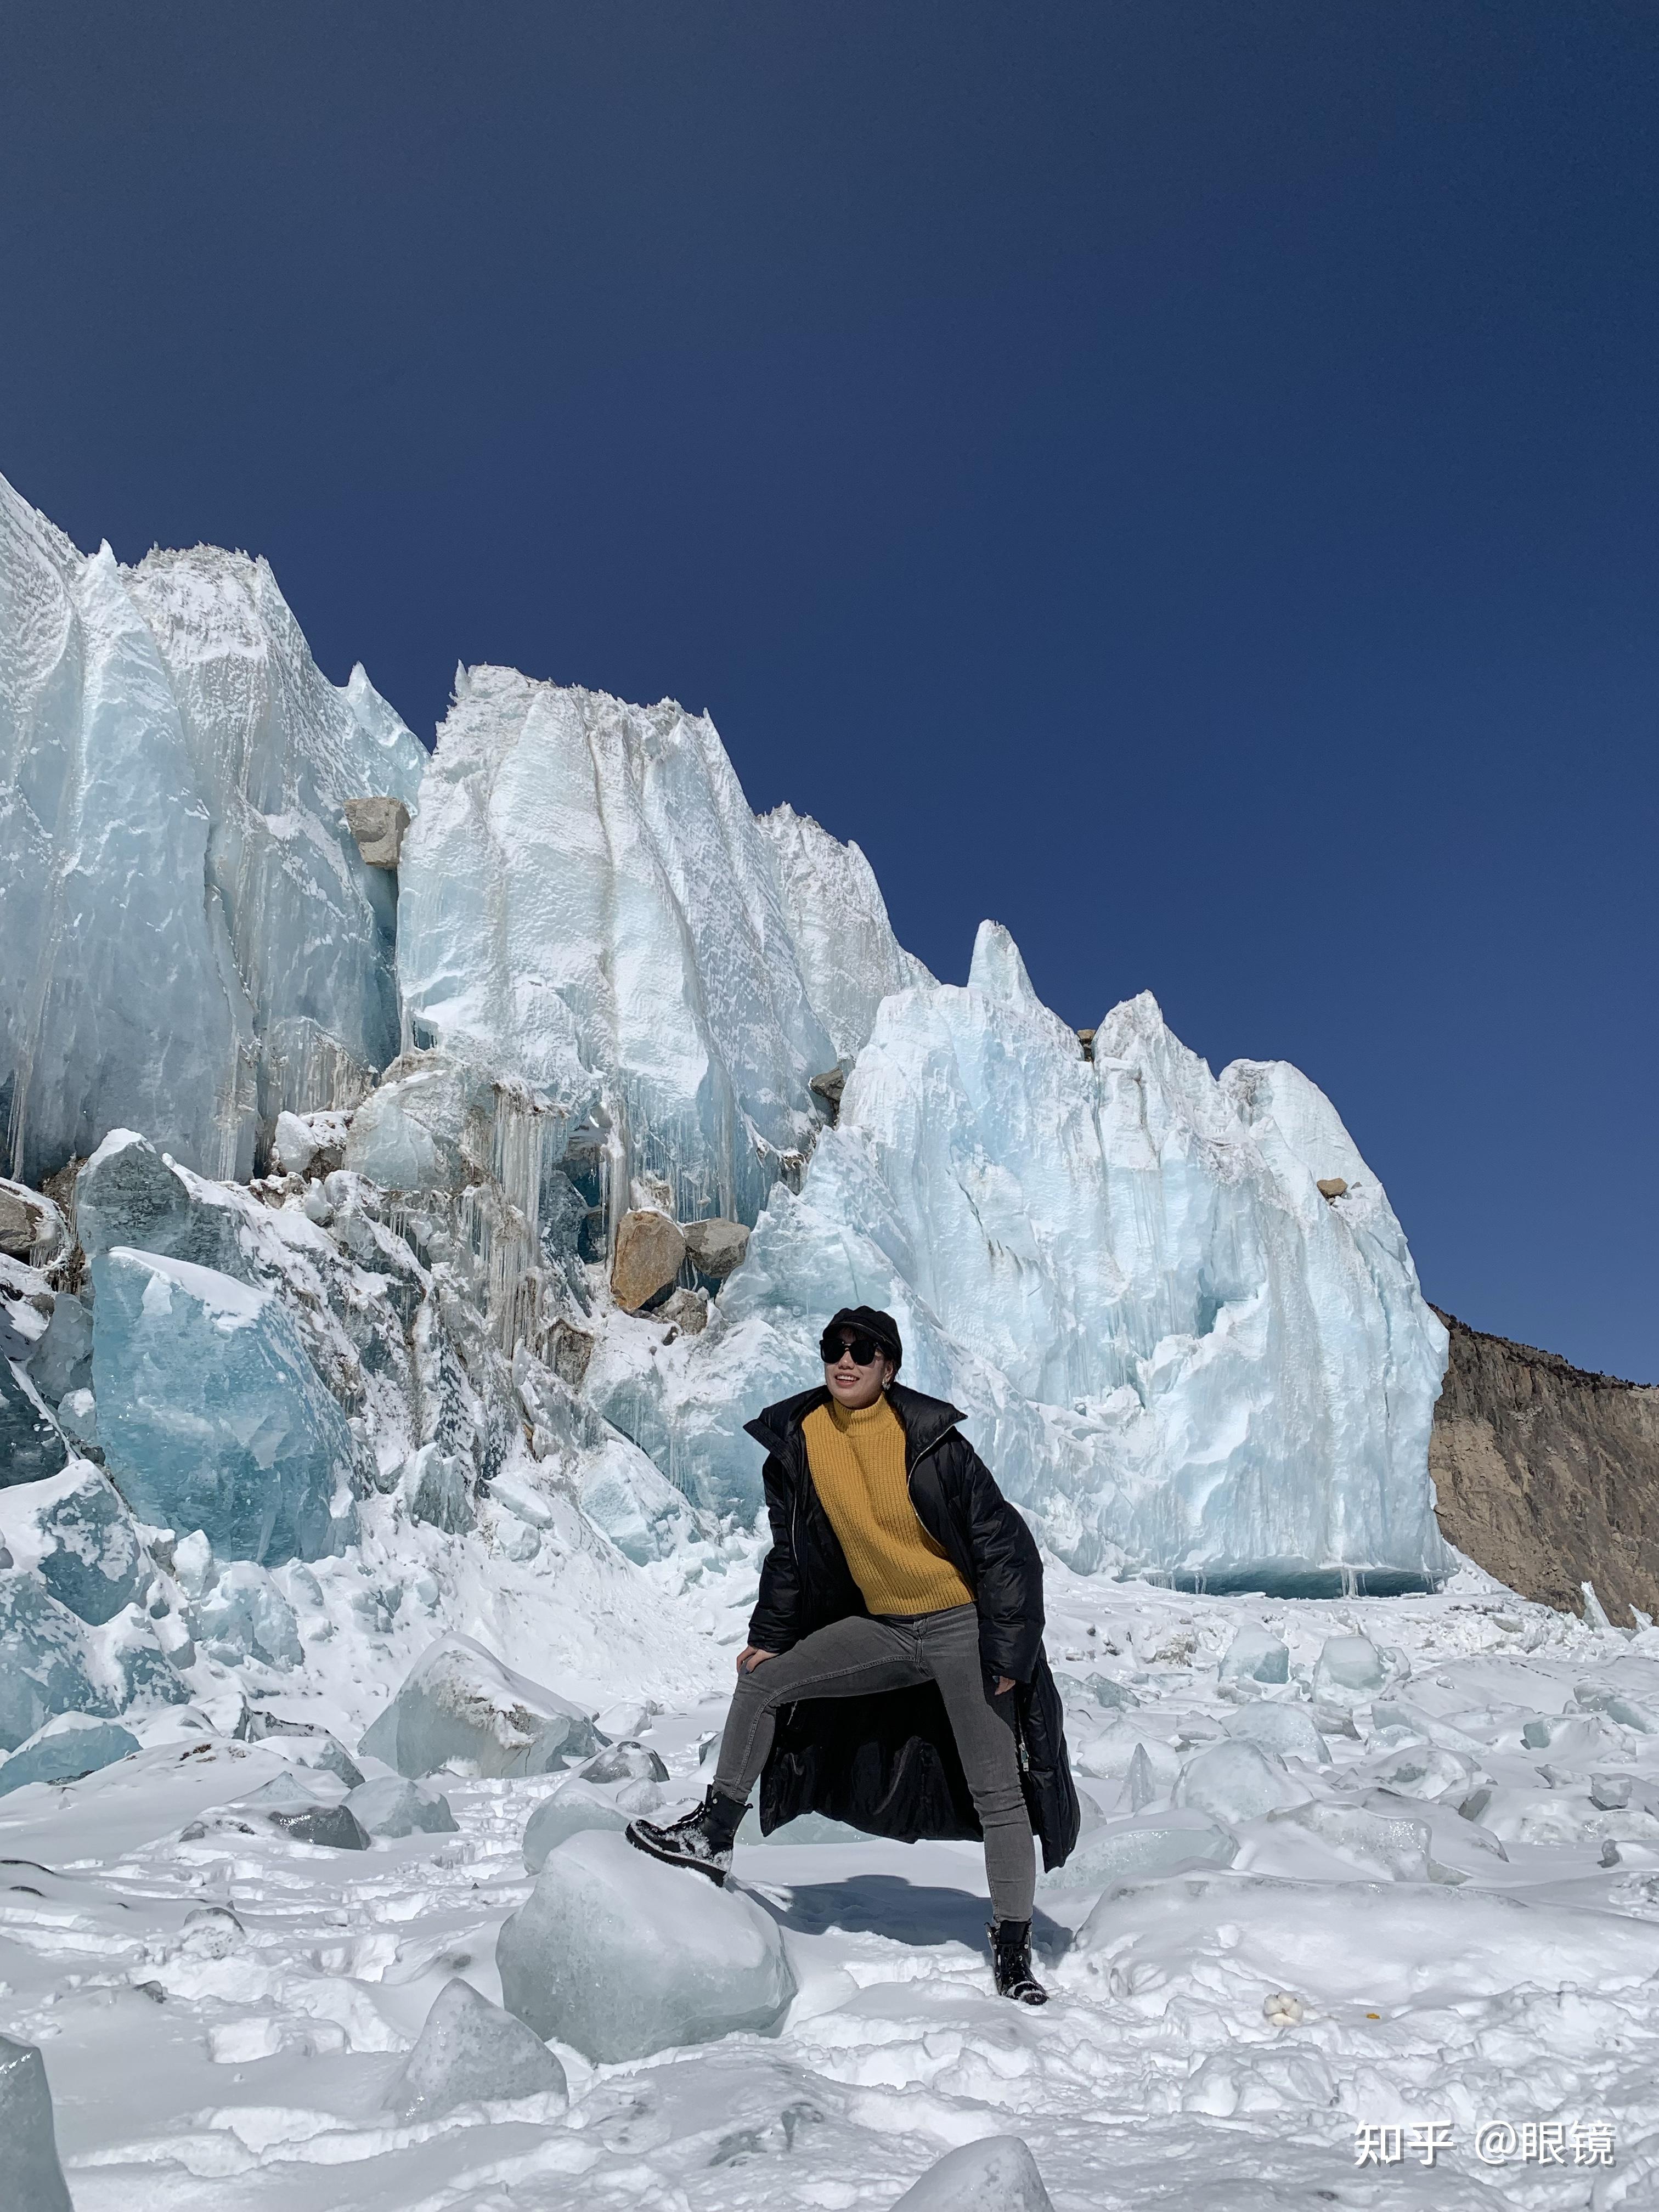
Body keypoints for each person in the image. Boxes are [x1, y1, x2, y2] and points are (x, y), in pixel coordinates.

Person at [627, 1304, 1078, 2005]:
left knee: (998, 1791)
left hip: (961, 1627)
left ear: (888, 1369)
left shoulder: (932, 1441)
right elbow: (790, 1555)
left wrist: (1010, 1650)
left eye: (863, 1352)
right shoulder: (800, 1439)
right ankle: (713, 1834)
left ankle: (1012, 1946)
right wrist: (770, 1637)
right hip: (887, 1628)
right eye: (834, 1348)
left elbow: (1004, 1548)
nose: (846, 1361)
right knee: (766, 1683)